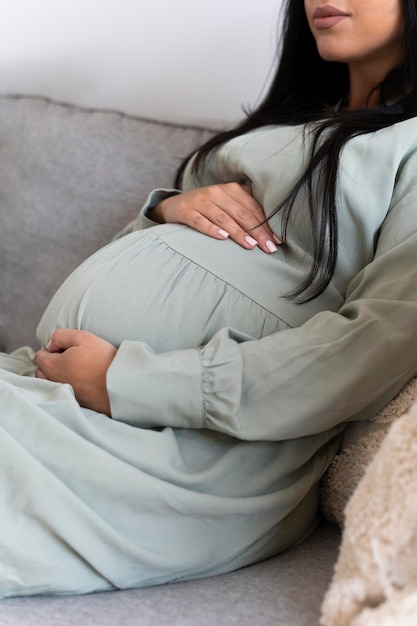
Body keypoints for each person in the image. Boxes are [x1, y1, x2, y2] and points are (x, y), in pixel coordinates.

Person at [0, 0, 416, 597]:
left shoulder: (410, 148)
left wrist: (127, 381)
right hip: (59, 387)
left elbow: (380, 344)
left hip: (192, 449)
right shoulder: (281, 129)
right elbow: (150, 253)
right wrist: (167, 209)